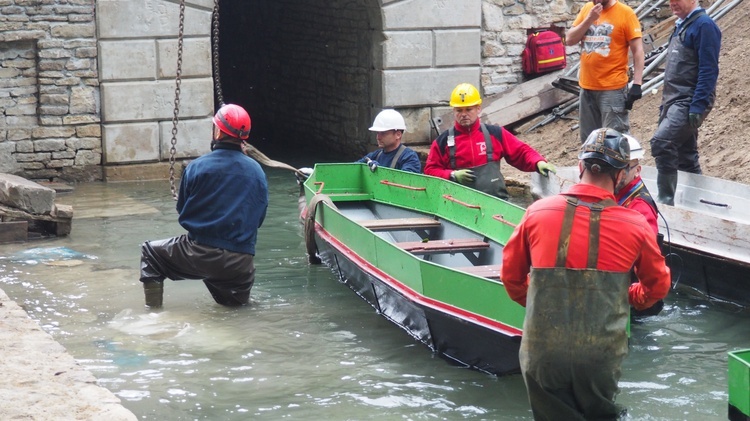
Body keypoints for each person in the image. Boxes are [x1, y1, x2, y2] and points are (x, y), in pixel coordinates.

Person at [500, 128, 671, 420]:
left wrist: (541, 299)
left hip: (543, 352)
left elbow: (511, 277)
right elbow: (657, 288)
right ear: (619, 176)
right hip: (600, 355)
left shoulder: (537, 213)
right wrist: (629, 296)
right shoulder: (635, 224)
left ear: (580, 167)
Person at [139, 103, 269, 308]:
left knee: (151, 253)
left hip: (199, 254)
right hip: (240, 262)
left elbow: (182, 210)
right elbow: (259, 218)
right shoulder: (258, 172)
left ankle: (154, 317)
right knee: (236, 312)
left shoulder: (197, 167)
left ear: (217, 132)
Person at [423, 83, 556, 199]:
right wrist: (452, 175)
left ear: (478, 108)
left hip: (495, 204)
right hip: (459, 206)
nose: (464, 114)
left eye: (469, 109)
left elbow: (521, 151)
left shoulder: (495, 134)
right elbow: (430, 171)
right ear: (453, 110)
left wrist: (538, 162)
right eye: (459, 110)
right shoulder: (442, 142)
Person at [650, 0, 721, 205]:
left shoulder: (704, 25)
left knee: (662, 142)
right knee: (685, 156)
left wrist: (698, 105)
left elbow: (709, 70)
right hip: (672, 100)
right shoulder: (682, 25)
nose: (672, 3)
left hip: (688, 101)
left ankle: (666, 202)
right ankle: (700, 203)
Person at [565, 0, 645, 143]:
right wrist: (589, 19)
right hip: (587, 87)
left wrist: (637, 84)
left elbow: (638, 51)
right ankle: (592, 165)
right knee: (589, 142)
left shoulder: (626, 13)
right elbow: (570, 39)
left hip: (612, 89)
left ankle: (624, 166)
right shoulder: (587, 9)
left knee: (614, 141)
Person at [356, 109, 421, 173]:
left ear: (398, 135)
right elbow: (353, 168)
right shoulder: (375, 155)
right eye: (377, 133)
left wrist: (380, 171)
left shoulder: (409, 157)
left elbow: (406, 180)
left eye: (383, 133)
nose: (378, 137)